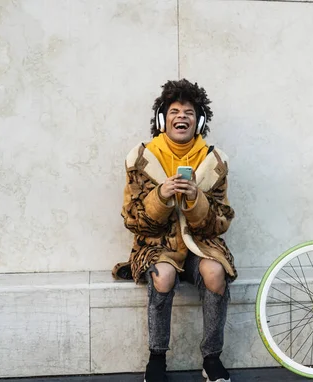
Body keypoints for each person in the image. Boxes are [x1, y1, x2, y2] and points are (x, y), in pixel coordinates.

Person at [112, 79, 237, 382]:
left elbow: (221, 220)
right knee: (163, 274)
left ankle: (212, 358)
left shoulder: (214, 162)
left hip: (200, 245)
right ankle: (156, 359)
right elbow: (133, 219)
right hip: (156, 246)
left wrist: (196, 199)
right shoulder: (142, 158)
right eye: (175, 111)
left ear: (200, 120)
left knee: (215, 272)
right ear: (162, 119)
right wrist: (161, 196)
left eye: (189, 112)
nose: (182, 117)